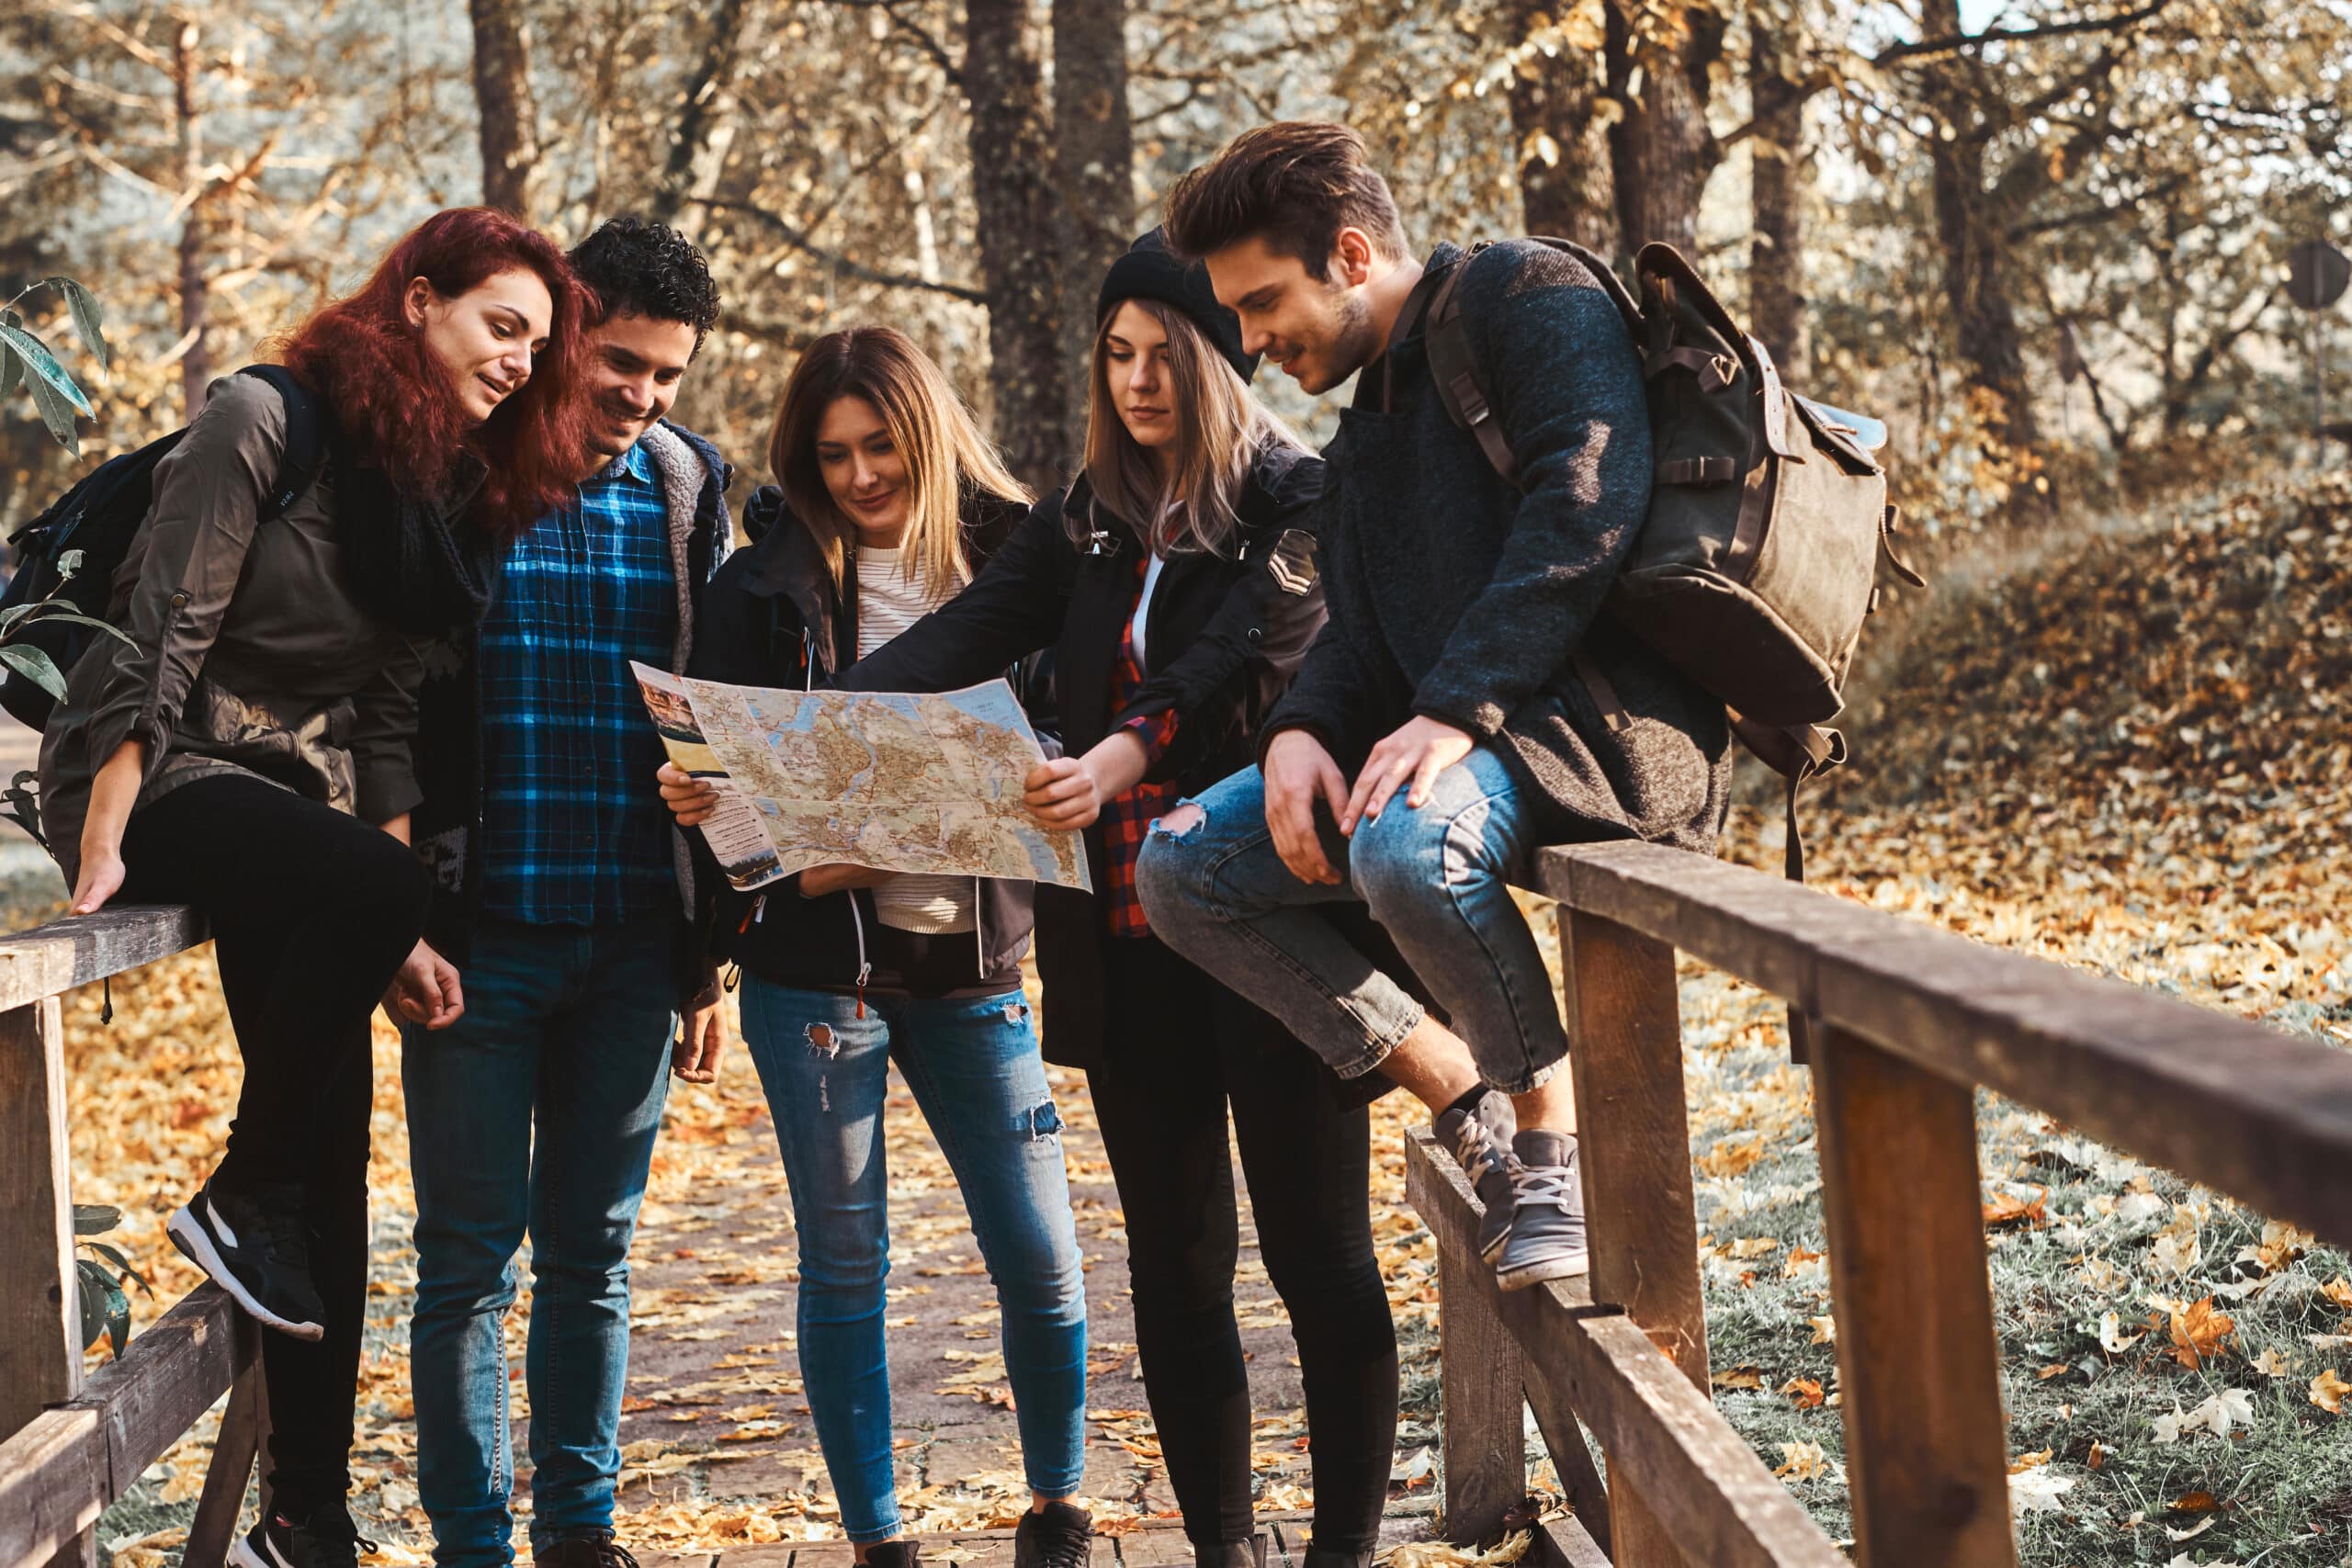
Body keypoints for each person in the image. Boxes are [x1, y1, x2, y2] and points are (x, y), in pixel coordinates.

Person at [671, 233, 1399, 1568]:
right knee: (1177, 1270)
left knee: (1316, 1253)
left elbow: (1251, 651)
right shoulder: (1087, 519)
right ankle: (1225, 1550)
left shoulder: (1304, 496)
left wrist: (1126, 746)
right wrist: (791, 750)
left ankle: (1341, 1552)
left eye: (1160, 351)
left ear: (1221, 349)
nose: (1134, 380)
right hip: (1126, 941)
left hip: (1279, 927)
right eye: (1113, 355)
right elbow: (956, 640)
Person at [36, 207, 591, 1568]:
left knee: (331, 1148)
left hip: (283, 799)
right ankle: (235, 1193)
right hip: (152, 764)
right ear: (416, 302)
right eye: (499, 324)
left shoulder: (442, 496)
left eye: (539, 343)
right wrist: (103, 832)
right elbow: (158, 629)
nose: (521, 359)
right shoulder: (264, 419)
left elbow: (387, 712)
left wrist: (391, 913)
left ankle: (308, 1512)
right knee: (281, 1175)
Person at [1137, 122, 1732, 1291]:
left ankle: (1552, 1157)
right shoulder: (1370, 421)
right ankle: (1471, 1104)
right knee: (1182, 865)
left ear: (1351, 256)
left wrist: (1455, 707)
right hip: (1473, 742)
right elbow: (1359, 634)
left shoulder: (1529, 291)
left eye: (1261, 306)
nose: (1249, 346)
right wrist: (1300, 733)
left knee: (1407, 845)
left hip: (1601, 732)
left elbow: (1587, 501)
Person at [658, 325, 1091, 1568]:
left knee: (1042, 1254)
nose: (859, 474)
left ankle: (1058, 1506)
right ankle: (878, 1536)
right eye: (833, 452)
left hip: (977, 968)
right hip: (813, 975)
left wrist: (864, 828)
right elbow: (736, 791)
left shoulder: (1027, 561)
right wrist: (704, 799)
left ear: (931, 431)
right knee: (844, 1264)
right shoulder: (761, 587)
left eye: (882, 443)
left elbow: (1055, 748)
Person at [399, 217, 733, 1568]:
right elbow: (386, 707)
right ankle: (472, 1539)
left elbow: (716, 726)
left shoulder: (685, 490)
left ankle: (579, 1530)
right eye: (626, 366)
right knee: (467, 1263)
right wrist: (393, 914)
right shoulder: (445, 476)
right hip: (475, 945)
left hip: (636, 946)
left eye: (670, 376)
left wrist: (708, 954)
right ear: (561, 330)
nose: (644, 398)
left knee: (593, 1258)